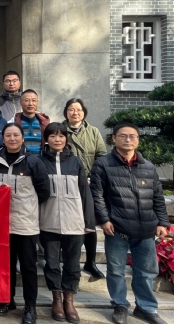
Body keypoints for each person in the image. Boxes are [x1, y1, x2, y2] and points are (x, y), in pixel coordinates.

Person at [90, 123, 169, 324]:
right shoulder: (103, 164)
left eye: (132, 136)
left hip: (145, 228)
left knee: (146, 271)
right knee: (116, 270)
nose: (128, 140)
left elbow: (157, 197)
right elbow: (97, 195)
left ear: (138, 140)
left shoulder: (148, 166)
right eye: (123, 136)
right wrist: (104, 219)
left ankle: (146, 308)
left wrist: (162, 222)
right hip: (116, 228)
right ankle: (120, 305)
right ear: (114, 138)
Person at [0, 123, 50, 324]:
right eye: (8, 135)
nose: (12, 138)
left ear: (23, 138)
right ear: (3, 138)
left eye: (16, 135)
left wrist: (28, 206)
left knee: (28, 267)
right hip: (2, 224)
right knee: (5, 265)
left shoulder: (33, 162)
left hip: (26, 223)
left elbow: (44, 191)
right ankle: (6, 300)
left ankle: (30, 307)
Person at [37, 123, 94, 323]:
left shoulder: (76, 162)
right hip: (48, 221)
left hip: (74, 222)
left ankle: (69, 300)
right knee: (52, 264)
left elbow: (85, 193)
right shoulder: (39, 162)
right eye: (53, 136)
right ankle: (56, 299)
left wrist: (88, 222)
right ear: (46, 139)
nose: (57, 139)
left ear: (66, 139)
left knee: (72, 264)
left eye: (61, 136)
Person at [63, 98, 107, 279]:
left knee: (89, 223)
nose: (75, 113)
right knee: (70, 224)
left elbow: (101, 156)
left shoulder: (93, 131)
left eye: (79, 110)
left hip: (89, 183)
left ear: (84, 112)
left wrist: (92, 177)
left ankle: (91, 261)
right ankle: (69, 262)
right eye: (71, 109)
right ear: (66, 112)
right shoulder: (60, 130)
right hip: (68, 183)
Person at [14, 89, 50, 155]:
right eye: (26, 100)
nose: (30, 104)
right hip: (21, 160)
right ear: (20, 103)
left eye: (34, 100)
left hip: (40, 160)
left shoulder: (44, 123)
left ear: (37, 103)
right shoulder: (14, 123)